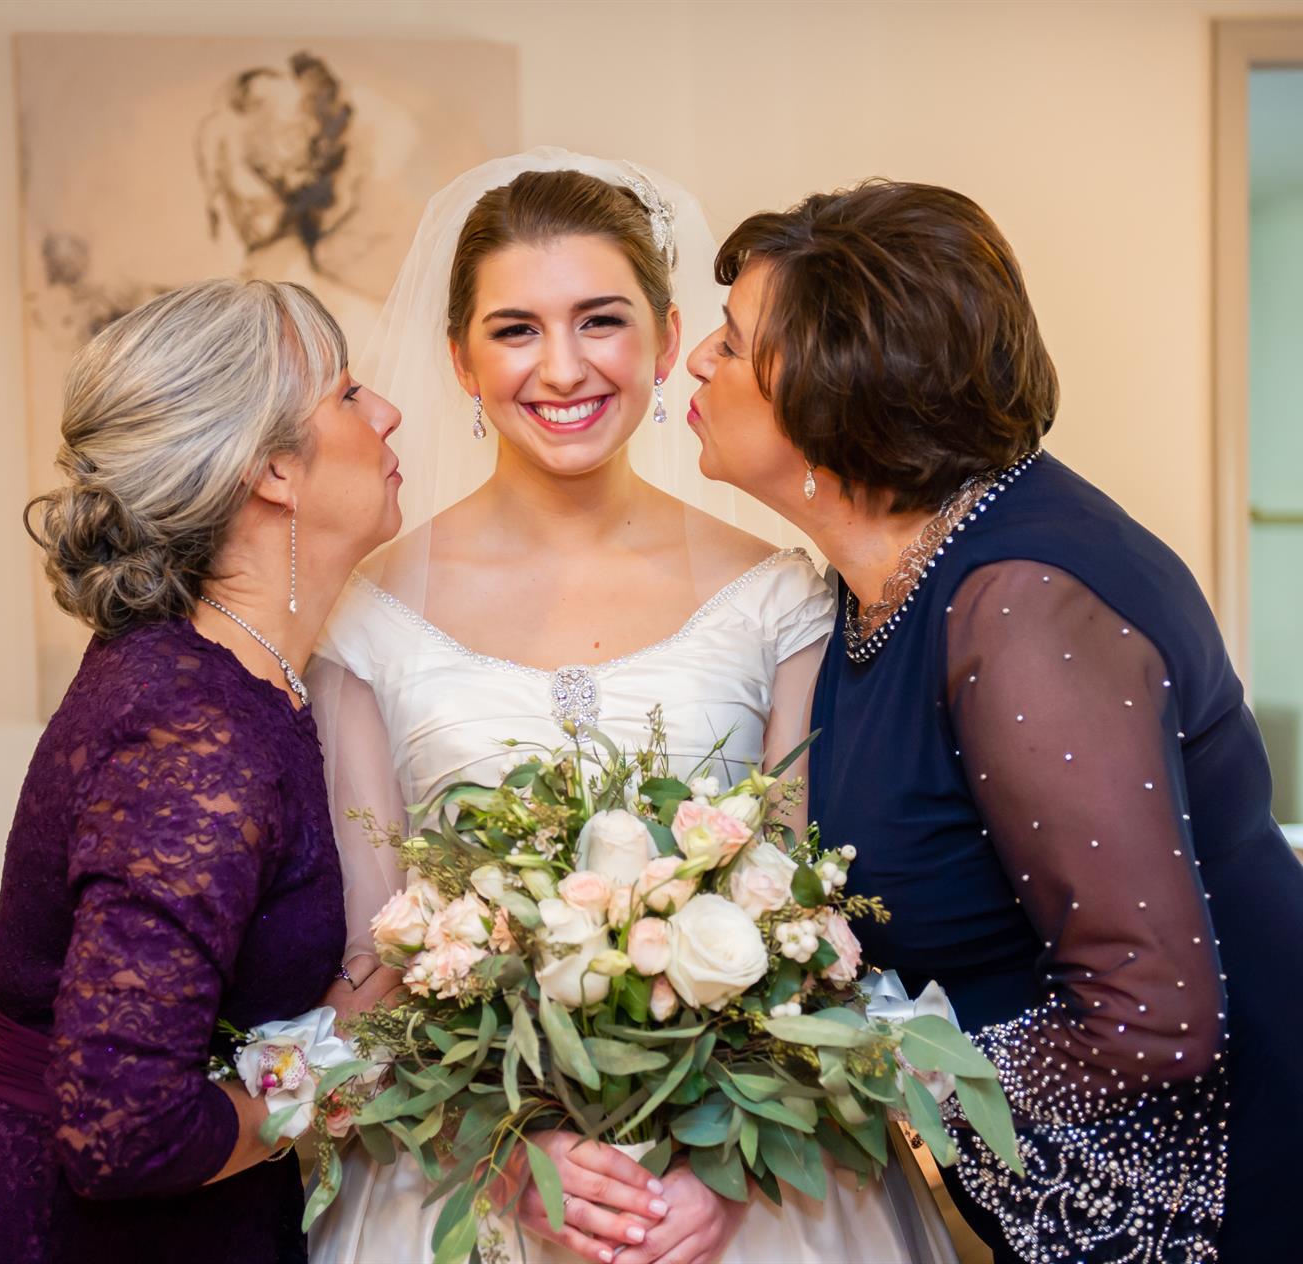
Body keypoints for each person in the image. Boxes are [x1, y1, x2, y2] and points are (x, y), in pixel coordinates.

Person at [685, 179, 1303, 1263]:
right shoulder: (875, 585)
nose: (699, 360)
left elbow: (1152, 1016)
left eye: (734, 343)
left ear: (837, 394)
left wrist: (871, 1078)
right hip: (1126, 1151)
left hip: (1279, 1143)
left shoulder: (1020, 608)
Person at [305, 152, 957, 1264]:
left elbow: (811, 927)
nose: (563, 367)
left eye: (600, 320)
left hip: (740, 1187)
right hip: (470, 1178)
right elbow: (376, 956)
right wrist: (502, 1145)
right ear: (460, 357)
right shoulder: (366, 617)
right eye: (515, 329)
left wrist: (731, 1166)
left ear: (665, 339)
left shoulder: (778, 598)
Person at [0, 278, 403, 1261]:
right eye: (349, 393)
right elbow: (123, 1130)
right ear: (271, 467)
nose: (387, 411)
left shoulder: (220, 674)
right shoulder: (194, 728)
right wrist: (332, 1064)